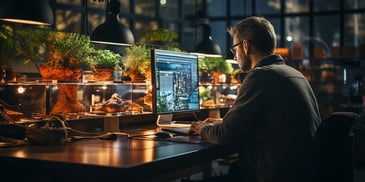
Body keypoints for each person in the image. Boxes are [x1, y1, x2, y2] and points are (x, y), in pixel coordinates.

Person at [190, 16, 322, 182]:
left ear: (245, 46)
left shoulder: (261, 75)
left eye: (234, 49)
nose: (234, 55)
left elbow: (224, 135)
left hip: (273, 175)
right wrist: (221, 123)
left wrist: (202, 128)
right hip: (302, 172)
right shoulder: (295, 74)